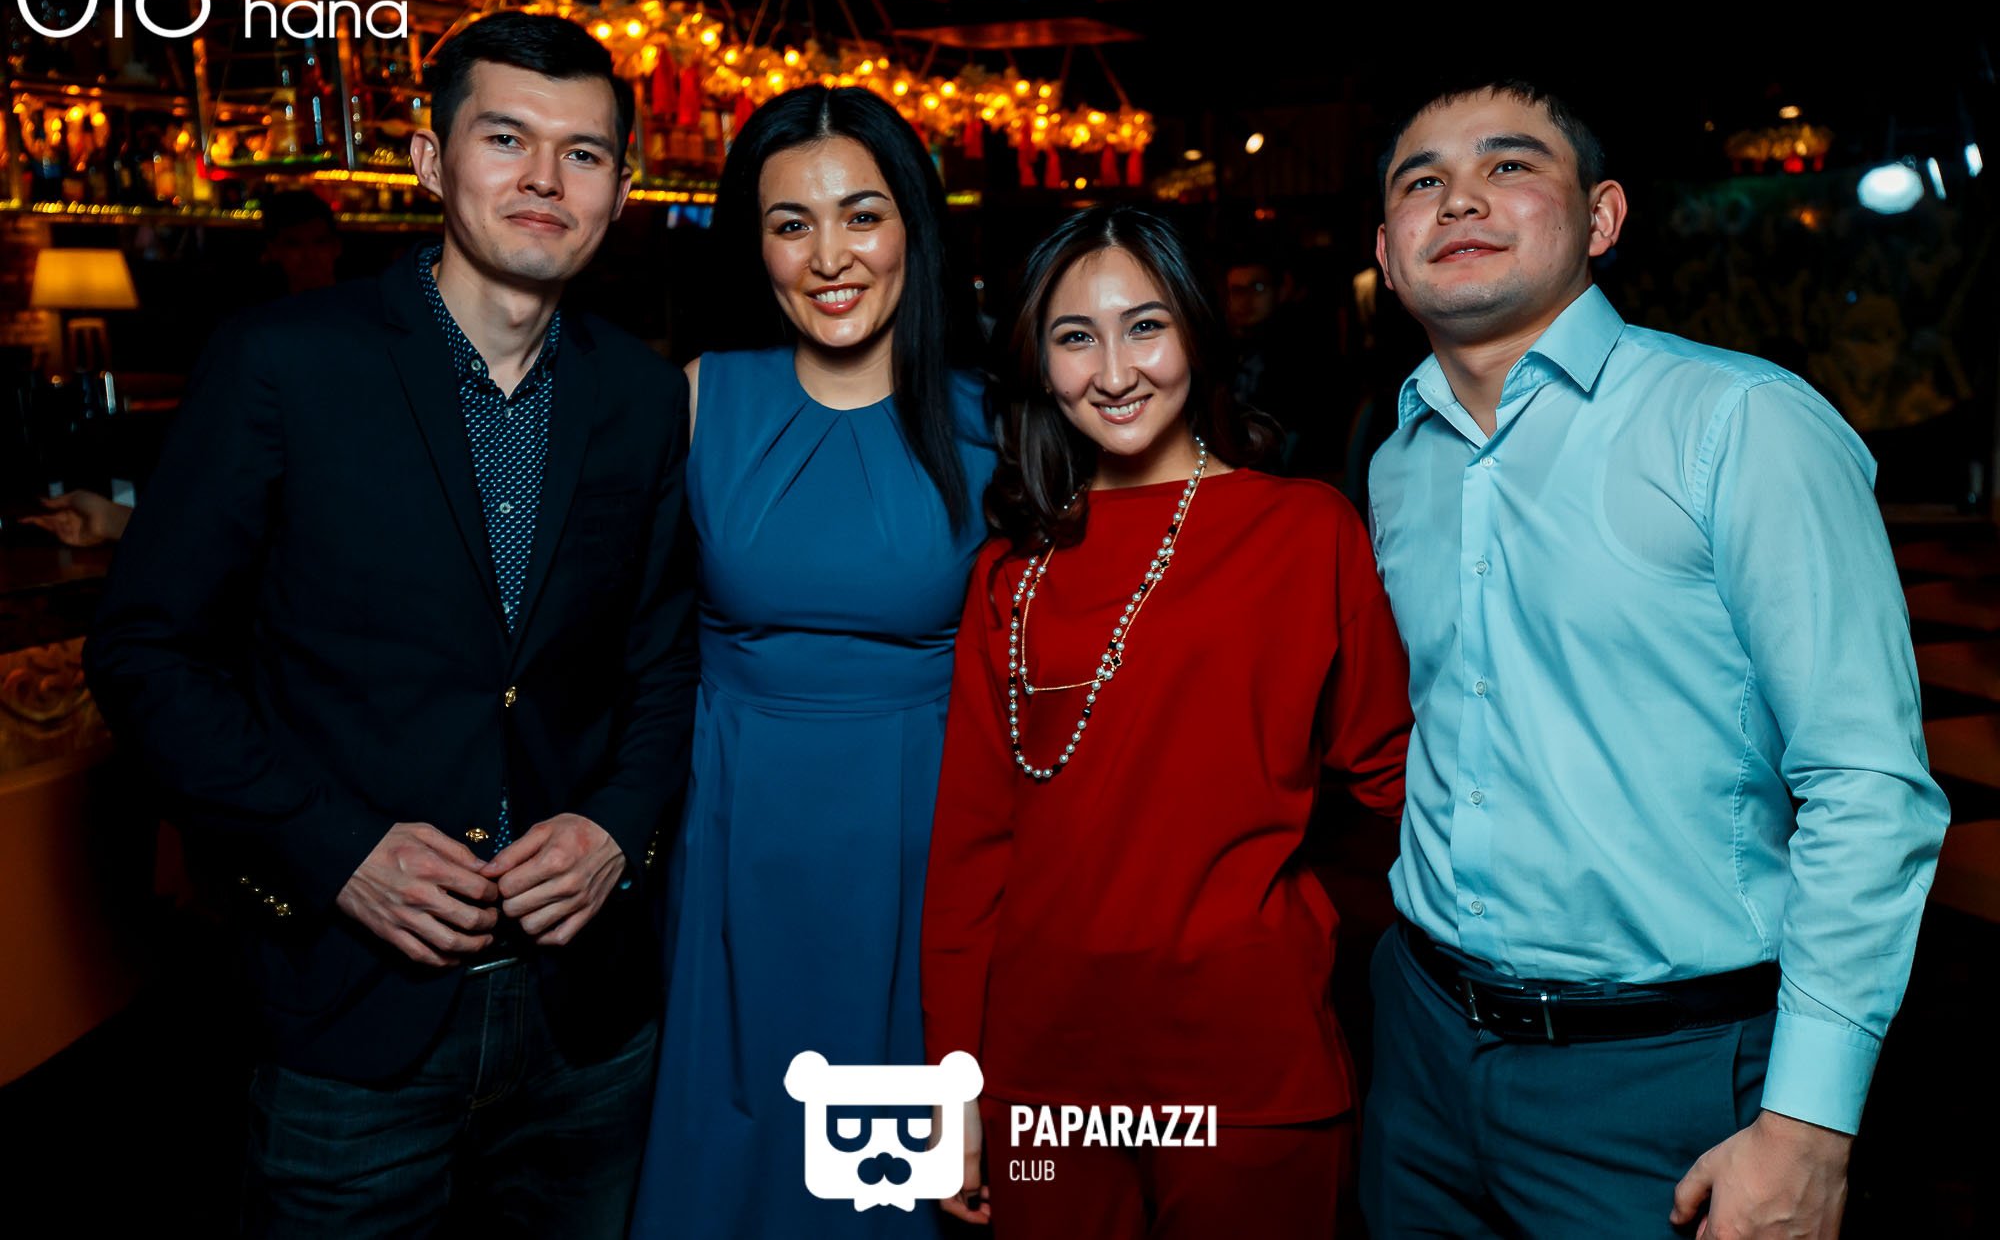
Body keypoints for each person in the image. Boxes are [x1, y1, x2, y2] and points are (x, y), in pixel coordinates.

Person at [85, 11, 698, 1238]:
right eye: (506, 138)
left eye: (583, 153)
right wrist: (336, 848)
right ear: (428, 160)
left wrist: (615, 829)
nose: (544, 177)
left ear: (622, 188)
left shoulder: (638, 391)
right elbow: (146, 653)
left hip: (585, 1022)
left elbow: (660, 656)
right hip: (352, 1016)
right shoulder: (283, 362)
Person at [1359, 78, 1949, 1240]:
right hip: (1421, 1043)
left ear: (1601, 218)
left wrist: (1807, 1127)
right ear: (1386, 251)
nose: (1459, 198)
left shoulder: (1740, 422)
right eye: (1421, 181)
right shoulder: (1398, 460)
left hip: (1659, 1072)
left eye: (1508, 165)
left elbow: (1865, 783)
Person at [922, 204, 1410, 1238]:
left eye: (1144, 326)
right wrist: (953, 1082)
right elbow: (970, 851)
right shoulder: (1009, 573)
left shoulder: (1303, 530)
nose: (1113, 371)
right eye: (1075, 336)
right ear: (1037, 360)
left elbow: (1398, 781)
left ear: (1195, 328)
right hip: (1044, 1075)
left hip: (1247, 1061)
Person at [628, 85, 997, 1240]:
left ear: (912, 228)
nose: (829, 257)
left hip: (921, 845)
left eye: (861, 215)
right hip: (735, 842)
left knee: (888, 1182)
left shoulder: (998, 422)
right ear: (756, 245)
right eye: (791, 224)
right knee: (735, 1169)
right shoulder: (701, 399)